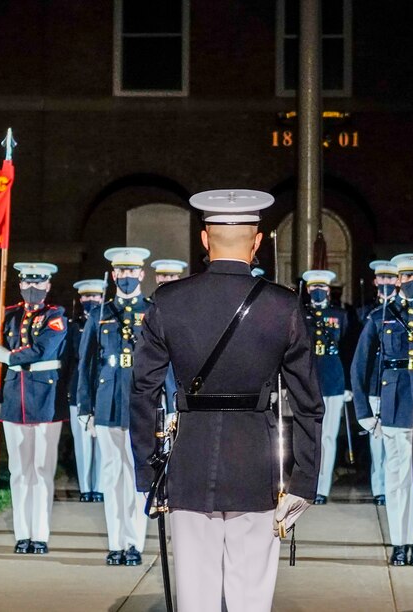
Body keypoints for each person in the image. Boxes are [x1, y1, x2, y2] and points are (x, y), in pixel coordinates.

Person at [130, 189, 324, 612]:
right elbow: (309, 401)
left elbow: (143, 390)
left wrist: (149, 471)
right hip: (256, 463)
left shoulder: (169, 301)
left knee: (194, 597)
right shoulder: (282, 305)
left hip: (190, 462)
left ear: (204, 239)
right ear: (256, 243)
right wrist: (305, 479)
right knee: (250, 595)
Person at [351, 253, 413, 566]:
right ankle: (399, 542)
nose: (411, 283)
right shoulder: (381, 316)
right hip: (393, 406)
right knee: (396, 478)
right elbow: (360, 365)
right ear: (398, 279)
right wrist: (364, 411)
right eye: (406, 277)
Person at [0, 262, 68, 555]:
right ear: (20, 285)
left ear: (47, 286)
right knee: (19, 471)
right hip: (12, 401)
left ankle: (40, 535)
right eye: (27, 283)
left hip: (45, 402)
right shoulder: (7, 315)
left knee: (42, 471)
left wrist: (7, 356)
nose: (33, 289)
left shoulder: (55, 316)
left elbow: (43, 349)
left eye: (38, 284)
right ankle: (22, 534)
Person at [78, 246, 153, 566]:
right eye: (120, 272)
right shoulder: (100, 313)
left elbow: (164, 362)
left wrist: (171, 404)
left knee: (138, 478)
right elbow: (86, 363)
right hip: (107, 405)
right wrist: (85, 407)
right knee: (112, 477)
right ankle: (116, 543)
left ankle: (134, 543)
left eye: (131, 271)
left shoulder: (152, 312)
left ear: (141, 274)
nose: (125, 277)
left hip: (140, 405)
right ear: (113, 275)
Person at [301, 269, 349, 505]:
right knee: (310, 437)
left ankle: (322, 487)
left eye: (322, 288)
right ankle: (308, 484)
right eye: (313, 287)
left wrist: (348, 385)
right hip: (308, 381)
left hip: (333, 381)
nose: (318, 291)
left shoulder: (339, 315)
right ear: (308, 289)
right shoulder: (300, 314)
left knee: (328, 437)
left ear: (329, 290)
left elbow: (349, 349)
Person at [358, 259, 401, 506]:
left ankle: (390, 486)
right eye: (381, 279)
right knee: (377, 443)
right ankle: (379, 489)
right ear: (376, 281)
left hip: (393, 384)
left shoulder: (401, 310)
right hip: (375, 382)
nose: (385, 283)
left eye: (390, 278)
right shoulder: (368, 312)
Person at [68, 279, 106, 502]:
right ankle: (86, 488)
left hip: (101, 389)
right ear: (80, 299)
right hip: (79, 390)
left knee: (101, 442)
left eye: (95, 297)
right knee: (82, 443)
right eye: (86, 297)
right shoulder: (73, 327)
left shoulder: (107, 322)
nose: (91, 300)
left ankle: (99, 486)